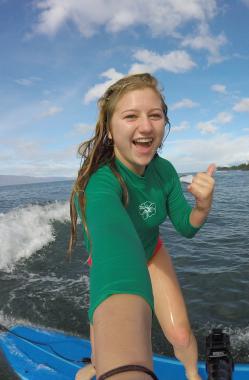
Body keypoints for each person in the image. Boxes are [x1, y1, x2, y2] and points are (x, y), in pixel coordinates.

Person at [68, 73, 215, 380]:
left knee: (181, 335)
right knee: (103, 355)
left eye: (155, 115)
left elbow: (186, 228)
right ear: (109, 129)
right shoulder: (101, 184)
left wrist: (202, 206)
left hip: (151, 252)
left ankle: (192, 375)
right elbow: (115, 248)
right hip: (112, 263)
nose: (146, 126)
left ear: (164, 124)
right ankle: (97, 365)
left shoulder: (164, 171)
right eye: (131, 116)